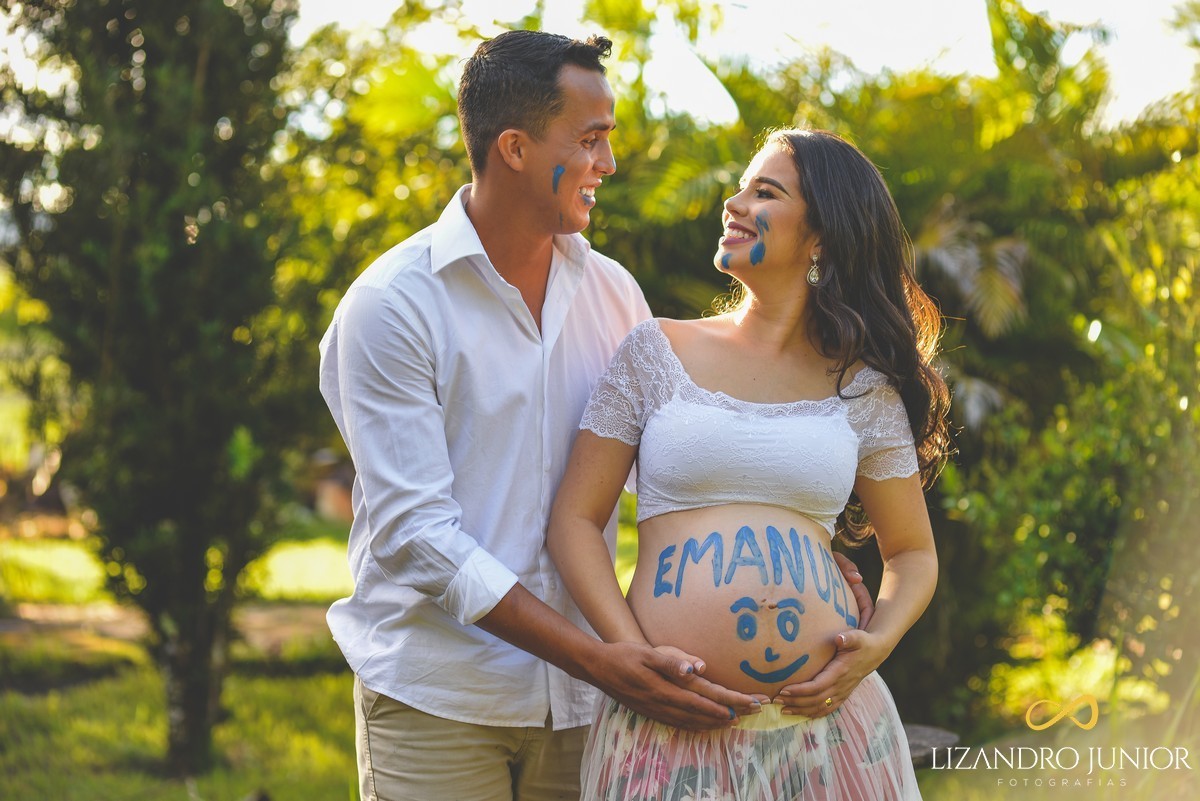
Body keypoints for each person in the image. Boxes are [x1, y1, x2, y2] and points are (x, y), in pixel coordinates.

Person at [318, 32, 873, 801]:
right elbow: (418, 537)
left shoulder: (614, 295)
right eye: (590, 140)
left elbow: (681, 459)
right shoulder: (393, 306)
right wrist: (594, 655)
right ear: (514, 148)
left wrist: (789, 548)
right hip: (442, 694)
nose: (608, 164)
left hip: (591, 707)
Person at [547, 128, 953, 800]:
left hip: (830, 735)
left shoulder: (862, 386)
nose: (733, 202)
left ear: (821, 236)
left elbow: (912, 553)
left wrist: (874, 645)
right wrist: (631, 657)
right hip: (669, 727)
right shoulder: (655, 350)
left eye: (764, 191)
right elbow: (574, 520)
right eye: (741, 185)